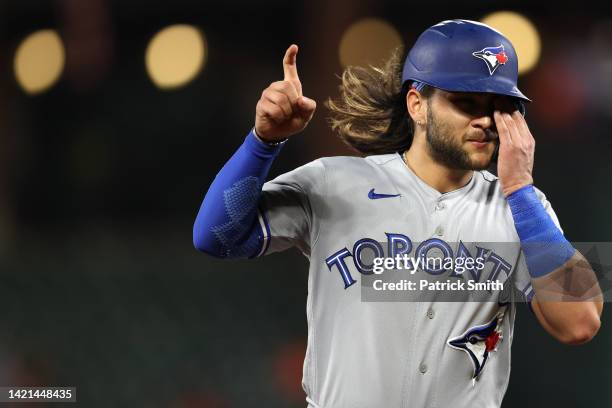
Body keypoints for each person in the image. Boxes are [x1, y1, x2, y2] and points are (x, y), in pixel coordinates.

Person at [193, 19, 602, 408]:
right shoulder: (335, 181)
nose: (485, 120)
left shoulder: (522, 209)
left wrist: (521, 191)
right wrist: (262, 143)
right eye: (466, 101)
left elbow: (580, 322)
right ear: (417, 104)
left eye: (500, 106)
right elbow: (217, 238)